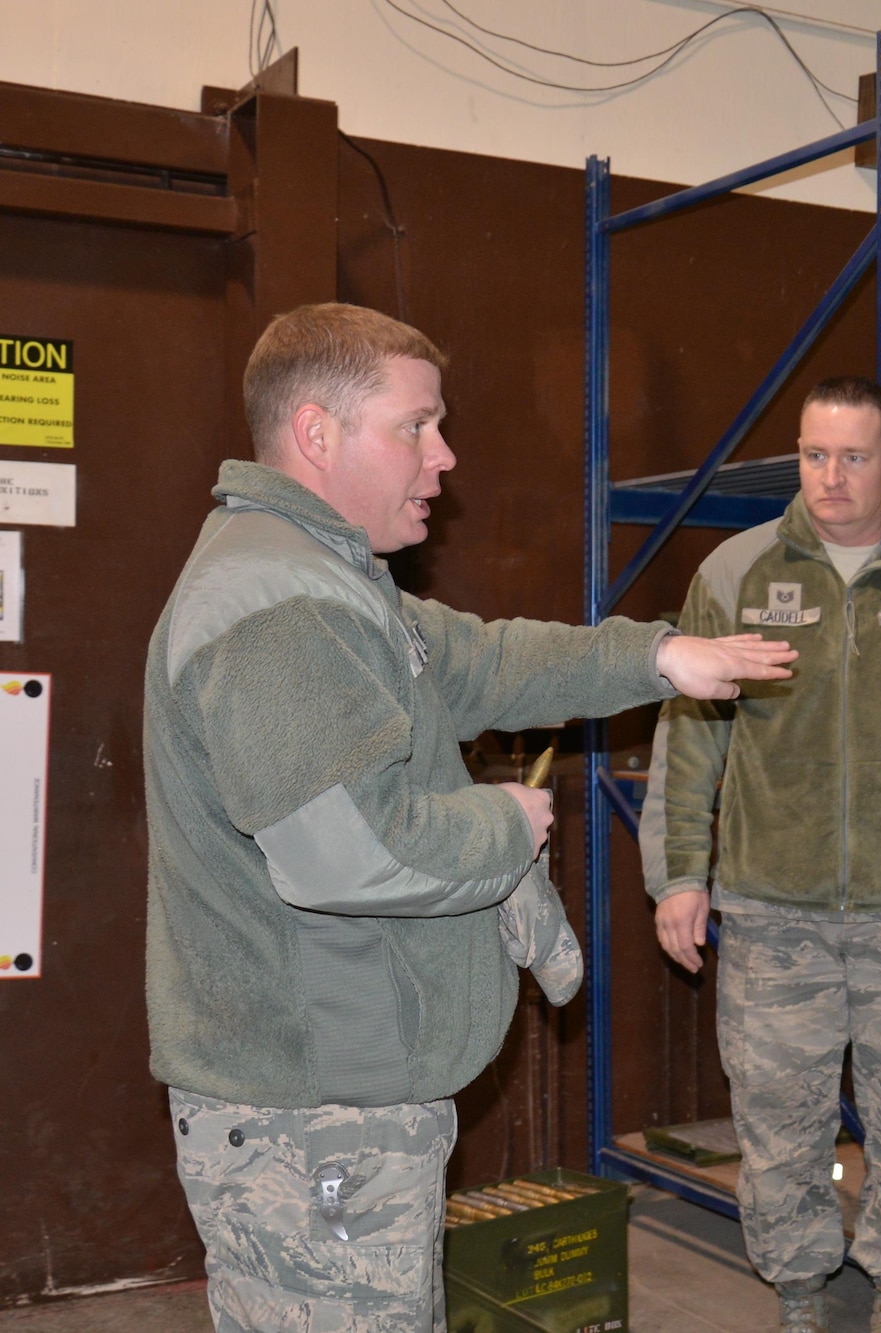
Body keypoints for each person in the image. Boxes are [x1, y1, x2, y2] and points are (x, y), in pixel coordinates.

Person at [144, 302, 796, 1333]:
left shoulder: (334, 580)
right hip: (312, 1121)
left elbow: (479, 660)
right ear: (317, 433)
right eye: (417, 425)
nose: (444, 457)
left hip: (341, 1107)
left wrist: (659, 656)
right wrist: (504, 822)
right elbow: (349, 857)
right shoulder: (280, 607)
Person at [641, 375, 881, 1333]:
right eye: (815, 455)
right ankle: (800, 1300)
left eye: (854, 456)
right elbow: (691, 740)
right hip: (776, 916)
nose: (830, 477)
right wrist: (679, 875)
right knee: (780, 1131)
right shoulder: (736, 575)